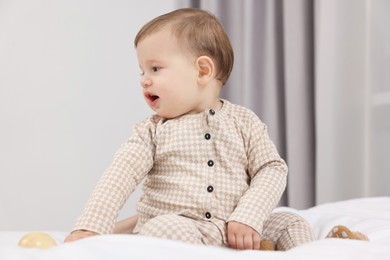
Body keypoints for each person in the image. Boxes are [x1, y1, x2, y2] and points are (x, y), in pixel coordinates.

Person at [64, 8, 366, 250]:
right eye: (142, 71)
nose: (144, 79)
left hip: (233, 227)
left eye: (155, 69)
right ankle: (125, 237)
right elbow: (119, 176)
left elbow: (272, 169)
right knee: (164, 230)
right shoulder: (151, 131)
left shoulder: (244, 121)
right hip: (181, 225)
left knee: (291, 222)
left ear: (202, 70)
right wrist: (90, 225)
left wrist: (247, 218)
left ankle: (324, 251)